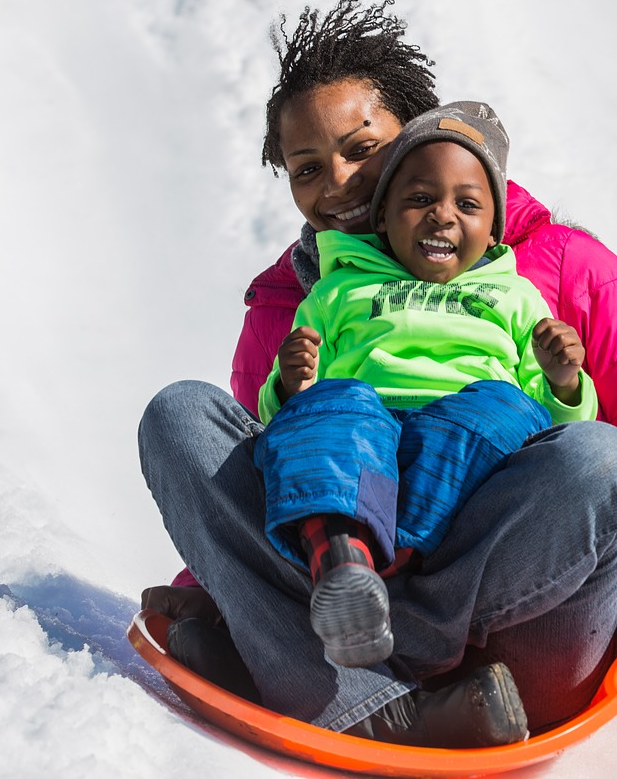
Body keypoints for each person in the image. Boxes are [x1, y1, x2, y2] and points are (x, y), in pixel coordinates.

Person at [139, 0, 617, 748]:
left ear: (423, 133)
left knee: (601, 457)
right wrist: (215, 579)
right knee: (179, 414)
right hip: (341, 600)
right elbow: (293, 479)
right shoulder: (292, 300)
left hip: (523, 625)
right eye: (308, 168)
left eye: (363, 149)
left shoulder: (562, 268)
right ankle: (385, 700)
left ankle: (315, 671)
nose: (339, 184)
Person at [256, 100, 597, 670]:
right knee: (334, 407)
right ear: (383, 217)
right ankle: (344, 560)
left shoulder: (514, 298)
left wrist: (564, 379)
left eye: (467, 205)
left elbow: (560, 426)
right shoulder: (337, 292)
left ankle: (394, 570)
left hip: (465, 446)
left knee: (503, 405)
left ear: (493, 231)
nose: (442, 216)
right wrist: (292, 382)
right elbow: (279, 419)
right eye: (419, 200)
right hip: (368, 433)